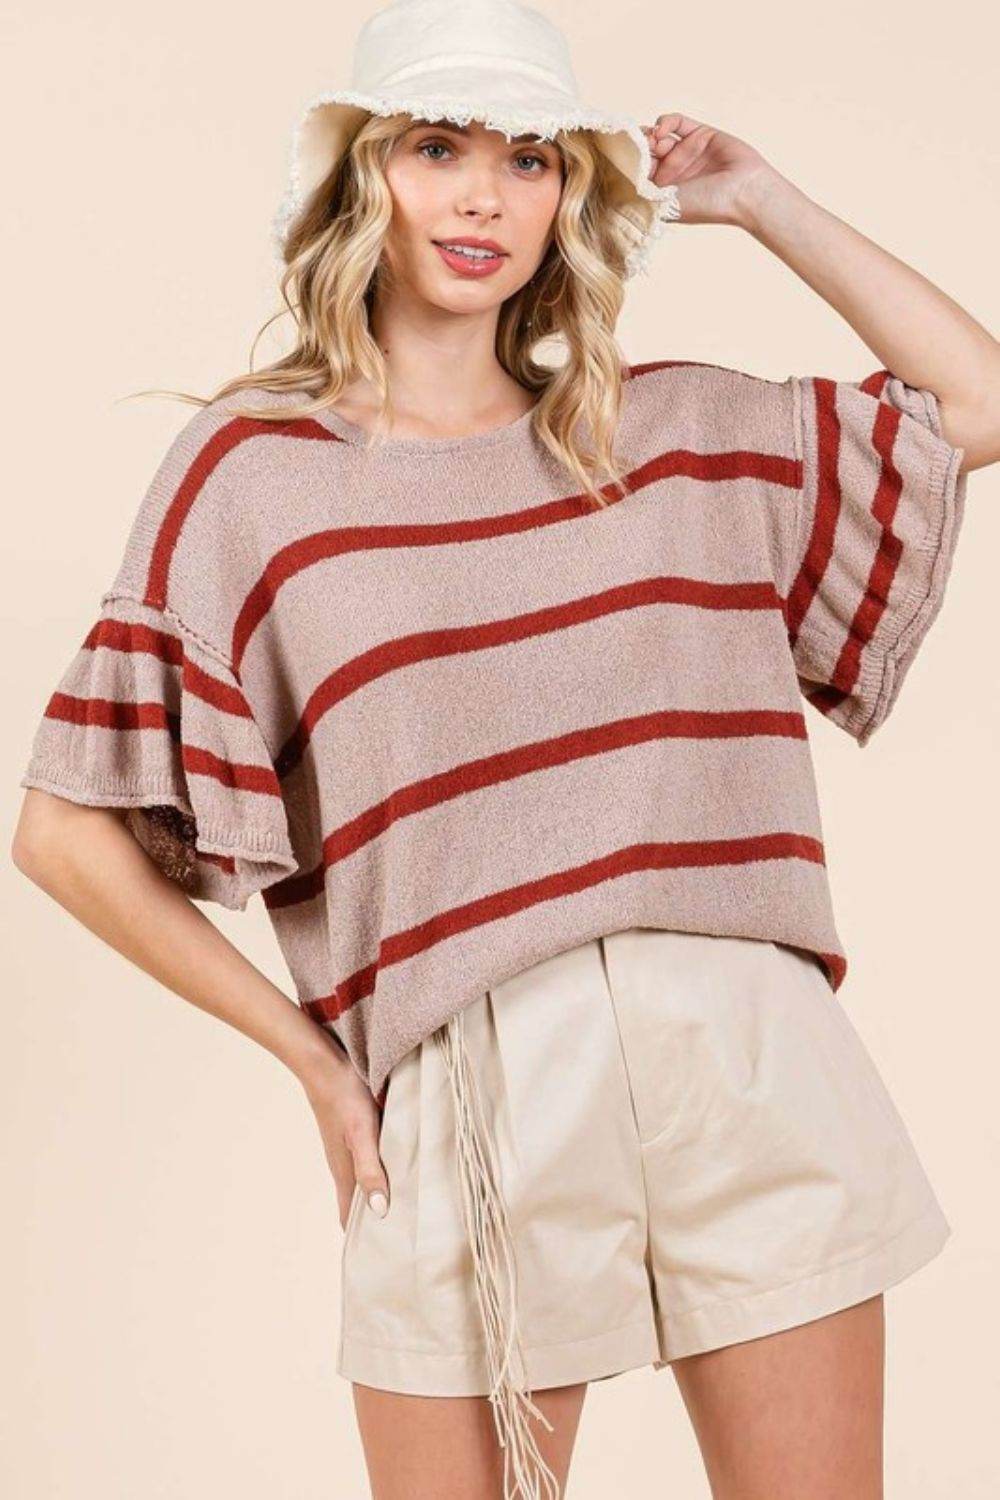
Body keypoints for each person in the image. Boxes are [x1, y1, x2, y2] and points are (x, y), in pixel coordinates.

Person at [12, 2, 997, 1497]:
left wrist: (762, 200)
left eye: (529, 159)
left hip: (746, 1053)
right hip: (473, 1083)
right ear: (364, 178)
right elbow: (63, 831)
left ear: (566, 200)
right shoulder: (253, 480)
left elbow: (975, 401)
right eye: (437, 147)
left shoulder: (668, 435)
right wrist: (314, 1065)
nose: (484, 196)